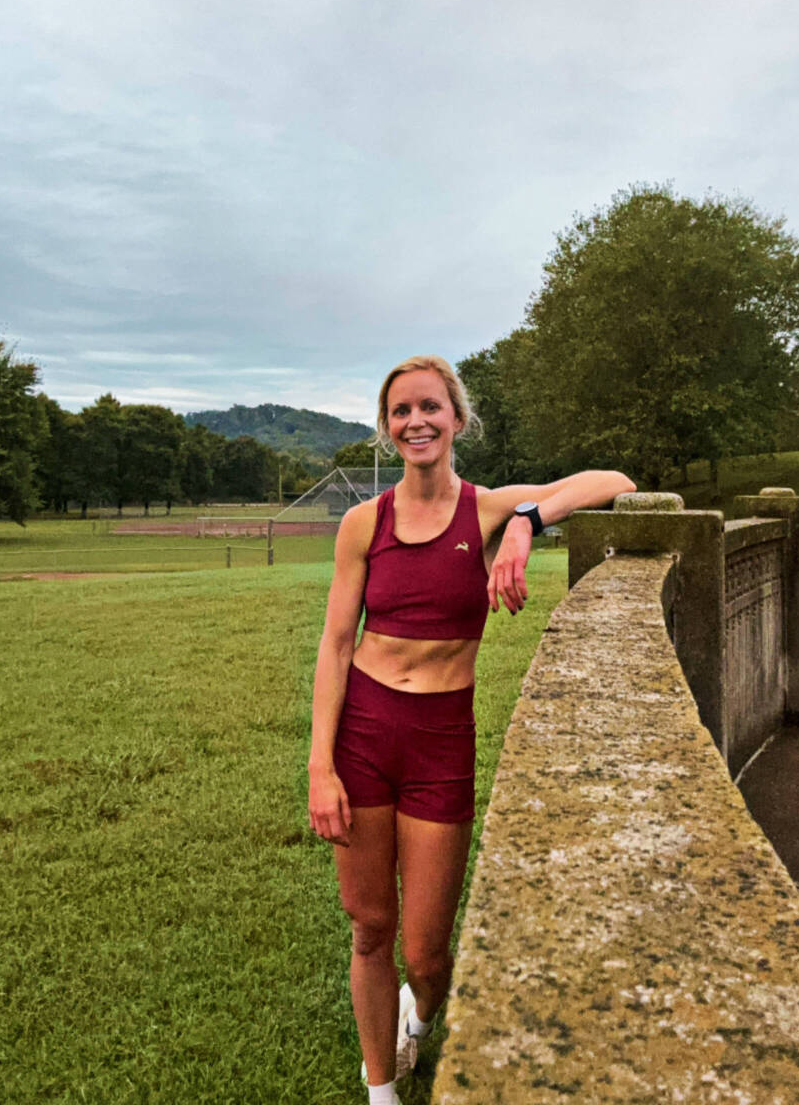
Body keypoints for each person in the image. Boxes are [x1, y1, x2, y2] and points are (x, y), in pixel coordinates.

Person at [307, 355, 635, 1104]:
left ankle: (419, 1016)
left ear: (455, 418)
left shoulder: (488, 510)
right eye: (400, 412)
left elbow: (614, 483)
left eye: (429, 407)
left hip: (439, 742)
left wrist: (524, 524)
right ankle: (380, 1088)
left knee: (425, 952)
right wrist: (319, 767)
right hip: (363, 731)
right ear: (387, 430)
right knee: (369, 928)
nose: (415, 422)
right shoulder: (365, 523)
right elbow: (333, 644)